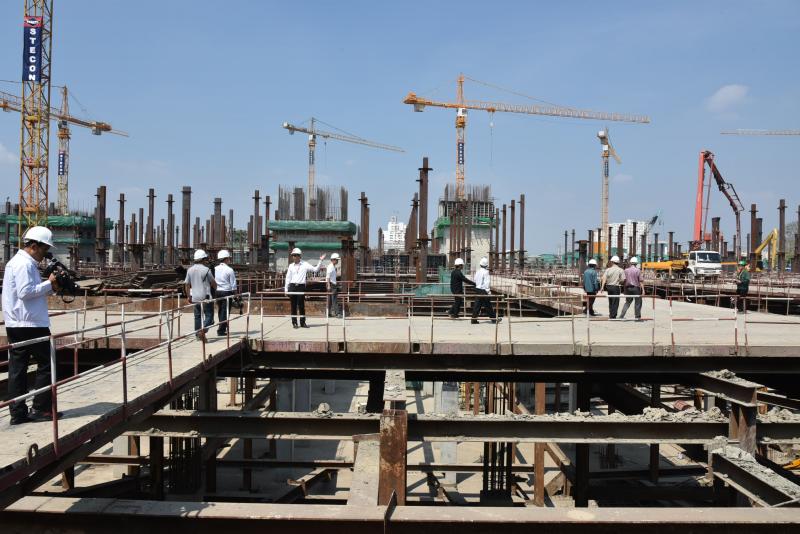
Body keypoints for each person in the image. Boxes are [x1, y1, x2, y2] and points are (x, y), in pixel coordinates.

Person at [2, 226, 62, 425]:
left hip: (18, 322)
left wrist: (50, 287)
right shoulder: (24, 264)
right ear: (34, 246)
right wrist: (49, 282)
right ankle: (41, 409)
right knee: (48, 364)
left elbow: (30, 292)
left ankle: (18, 413)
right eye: (45, 249)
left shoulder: (20, 263)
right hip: (30, 324)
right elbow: (25, 292)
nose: (45, 254)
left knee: (18, 368)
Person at [284, 248, 326, 328]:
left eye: (295, 255)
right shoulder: (291, 266)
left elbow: (315, 269)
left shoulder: (305, 264)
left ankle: (302, 322)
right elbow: (288, 278)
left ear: (299, 256)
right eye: (293, 255)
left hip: (301, 286)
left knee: (301, 305)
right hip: (292, 286)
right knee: (293, 306)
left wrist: (320, 260)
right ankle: (294, 323)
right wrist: (286, 289)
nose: (294, 257)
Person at [185, 249, 216, 340]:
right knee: (209, 316)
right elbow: (213, 283)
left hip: (195, 297)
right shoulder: (206, 270)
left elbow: (187, 284)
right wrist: (216, 290)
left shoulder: (190, 270)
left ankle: (197, 335)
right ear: (203, 259)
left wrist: (188, 296)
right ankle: (202, 330)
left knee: (197, 316)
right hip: (206, 297)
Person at [214, 249, 237, 336]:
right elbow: (233, 284)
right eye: (229, 258)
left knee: (220, 310)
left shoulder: (215, 269)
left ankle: (222, 326)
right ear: (226, 259)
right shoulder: (229, 270)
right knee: (225, 311)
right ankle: (221, 330)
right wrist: (236, 295)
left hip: (217, 292)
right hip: (227, 292)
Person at [471, 257, 501, 324]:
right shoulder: (486, 272)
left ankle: (473, 319)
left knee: (477, 305)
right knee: (488, 305)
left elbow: (475, 280)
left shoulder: (478, 271)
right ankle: (494, 319)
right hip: (483, 291)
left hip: (478, 289)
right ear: (486, 265)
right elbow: (487, 283)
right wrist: (488, 292)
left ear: (480, 264)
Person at [600, 255, 625, 319]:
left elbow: (604, 278)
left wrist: (602, 287)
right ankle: (613, 316)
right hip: (616, 287)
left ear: (612, 262)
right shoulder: (621, 270)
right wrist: (619, 281)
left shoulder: (608, 269)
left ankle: (611, 314)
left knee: (610, 301)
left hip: (609, 287)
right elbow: (623, 280)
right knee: (615, 301)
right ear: (618, 262)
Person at [619, 256, 644, 320]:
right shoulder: (638, 270)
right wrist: (643, 290)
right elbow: (641, 281)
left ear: (630, 263)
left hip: (628, 288)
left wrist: (624, 290)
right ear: (636, 263)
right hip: (636, 288)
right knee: (638, 302)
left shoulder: (626, 270)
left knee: (627, 302)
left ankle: (621, 315)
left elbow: (624, 281)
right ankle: (637, 317)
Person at [326, 253, 341, 318]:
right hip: (332, 285)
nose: (337, 261)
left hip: (332, 284)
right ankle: (337, 313)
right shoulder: (331, 267)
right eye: (337, 260)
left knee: (330, 300)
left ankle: (328, 313)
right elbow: (328, 277)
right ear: (333, 260)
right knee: (334, 299)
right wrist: (329, 285)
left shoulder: (332, 266)